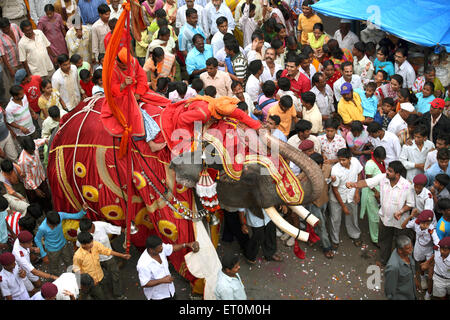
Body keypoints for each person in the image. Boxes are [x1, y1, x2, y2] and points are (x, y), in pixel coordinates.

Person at [347, 161, 415, 266]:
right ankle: (384, 261)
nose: (387, 172)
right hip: (385, 219)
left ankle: (400, 264)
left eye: (390, 171)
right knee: (384, 241)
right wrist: (354, 185)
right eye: (387, 169)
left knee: (401, 243)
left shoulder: (407, 185)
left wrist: (400, 211)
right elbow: (367, 182)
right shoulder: (383, 178)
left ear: (397, 174)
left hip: (400, 222)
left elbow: (410, 204)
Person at [136, 235, 199, 300]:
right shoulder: (143, 264)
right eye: (159, 247)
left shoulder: (160, 248)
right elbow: (144, 283)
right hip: (158, 296)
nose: (162, 248)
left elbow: (172, 248)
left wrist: (186, 245)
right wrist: (162, 280)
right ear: (151, 250)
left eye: (161, 246)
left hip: (170, 290)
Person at [73, 231, 131, 300]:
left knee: (104, 290)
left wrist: (122, 255)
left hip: (101, 276)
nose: (92, 244)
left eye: (92, 241)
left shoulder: (95, 245)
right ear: (83, 244)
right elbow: (76, 269)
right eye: (89, 243)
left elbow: (107, 251)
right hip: (92, 282)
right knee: (100, 296)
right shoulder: (78, 255)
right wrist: (90, 280)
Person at [35, 203, 88, 276]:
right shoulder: (42, 228)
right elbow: (37, 239)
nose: (57, 226)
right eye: (54, 225)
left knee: (69, 261)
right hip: (52, 250)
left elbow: (76, 216)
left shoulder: (60, 215)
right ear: (48, 222)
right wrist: (43, 254)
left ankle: (72, 275)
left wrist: (84, 210)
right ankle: (57, 278)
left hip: (63, 245)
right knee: (54, 267)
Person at [329, 148, 363, 249]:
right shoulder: (335, 169)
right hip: (337, 198)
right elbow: (335, 190)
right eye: (339, 160)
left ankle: (355, 235)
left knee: (353, 216)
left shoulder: (356, 162)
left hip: (352, 195)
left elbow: (359, 174)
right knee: (335, 219)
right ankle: (335, 240)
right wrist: (343, 206)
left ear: (350, 159)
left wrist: (357, 192)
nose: (341, 162)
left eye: (343, 160)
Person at [401, 210, 440, 298]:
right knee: (420, 264)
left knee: (430, 269)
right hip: (419, 248)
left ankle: (429, 293)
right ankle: (422, 277)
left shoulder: (431, 229)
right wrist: (411, 216)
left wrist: (430, 260)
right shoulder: (415, 222)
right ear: (419, 220)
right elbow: (403, 226)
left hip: (429, 249)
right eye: (423, 223)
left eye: (427, 223)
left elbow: (437, 242)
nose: (425, 226)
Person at [360, 146, 386, 246]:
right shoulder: (370, 164)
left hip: (379, 192)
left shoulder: (380, 162)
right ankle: (375, 239)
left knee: (379, 215)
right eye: (381, 158)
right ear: (376, 157)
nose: (382, 160)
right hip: (371, 193)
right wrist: (376, 192)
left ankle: (378, 235)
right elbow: (369, 182)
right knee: (374, 217)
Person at [384, 235, 417, 300]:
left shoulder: (407, 254)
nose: (411, 249)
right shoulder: (393, 267)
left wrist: (414, 278)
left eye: (411, 246)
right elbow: (390, 290)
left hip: (411, 293)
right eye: (408, 248)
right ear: (400, 250)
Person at [0, 17, 24, 98]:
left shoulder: (15, 26)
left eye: (7, 28)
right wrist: (10, 69)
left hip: (22, 60)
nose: (6, 30)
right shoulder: (0, 36)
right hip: (11, 64)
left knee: (25, 80)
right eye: (3, 29)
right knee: (15, 84)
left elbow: (23, 37)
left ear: (9, 25)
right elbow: (3, 54)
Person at [91, 4, 111, 68]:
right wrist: (97, 59)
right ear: (100, 14)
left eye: (109, 14)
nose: (108, 16)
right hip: (103, 56)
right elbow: (95, 45)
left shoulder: (111, 23)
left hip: (112, 53)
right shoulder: (95, 27)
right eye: (106, 14)